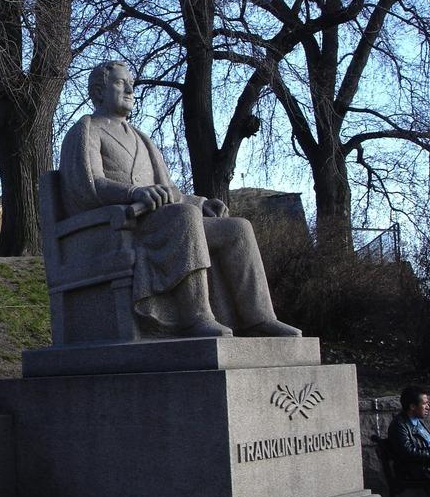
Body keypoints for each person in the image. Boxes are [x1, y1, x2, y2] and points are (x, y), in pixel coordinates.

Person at [57, 60, 300, 338]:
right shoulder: (87, 129)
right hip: (127, 225)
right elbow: (88, 184)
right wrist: (133, 193)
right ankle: (196, 316)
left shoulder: (142, 138)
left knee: (237, 229)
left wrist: (199, 202)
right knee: (185, 218)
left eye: (131, 84)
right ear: (99, 91)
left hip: (165, 221)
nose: (129, 89)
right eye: (119, 83)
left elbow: (169, 189)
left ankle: (257, 317)